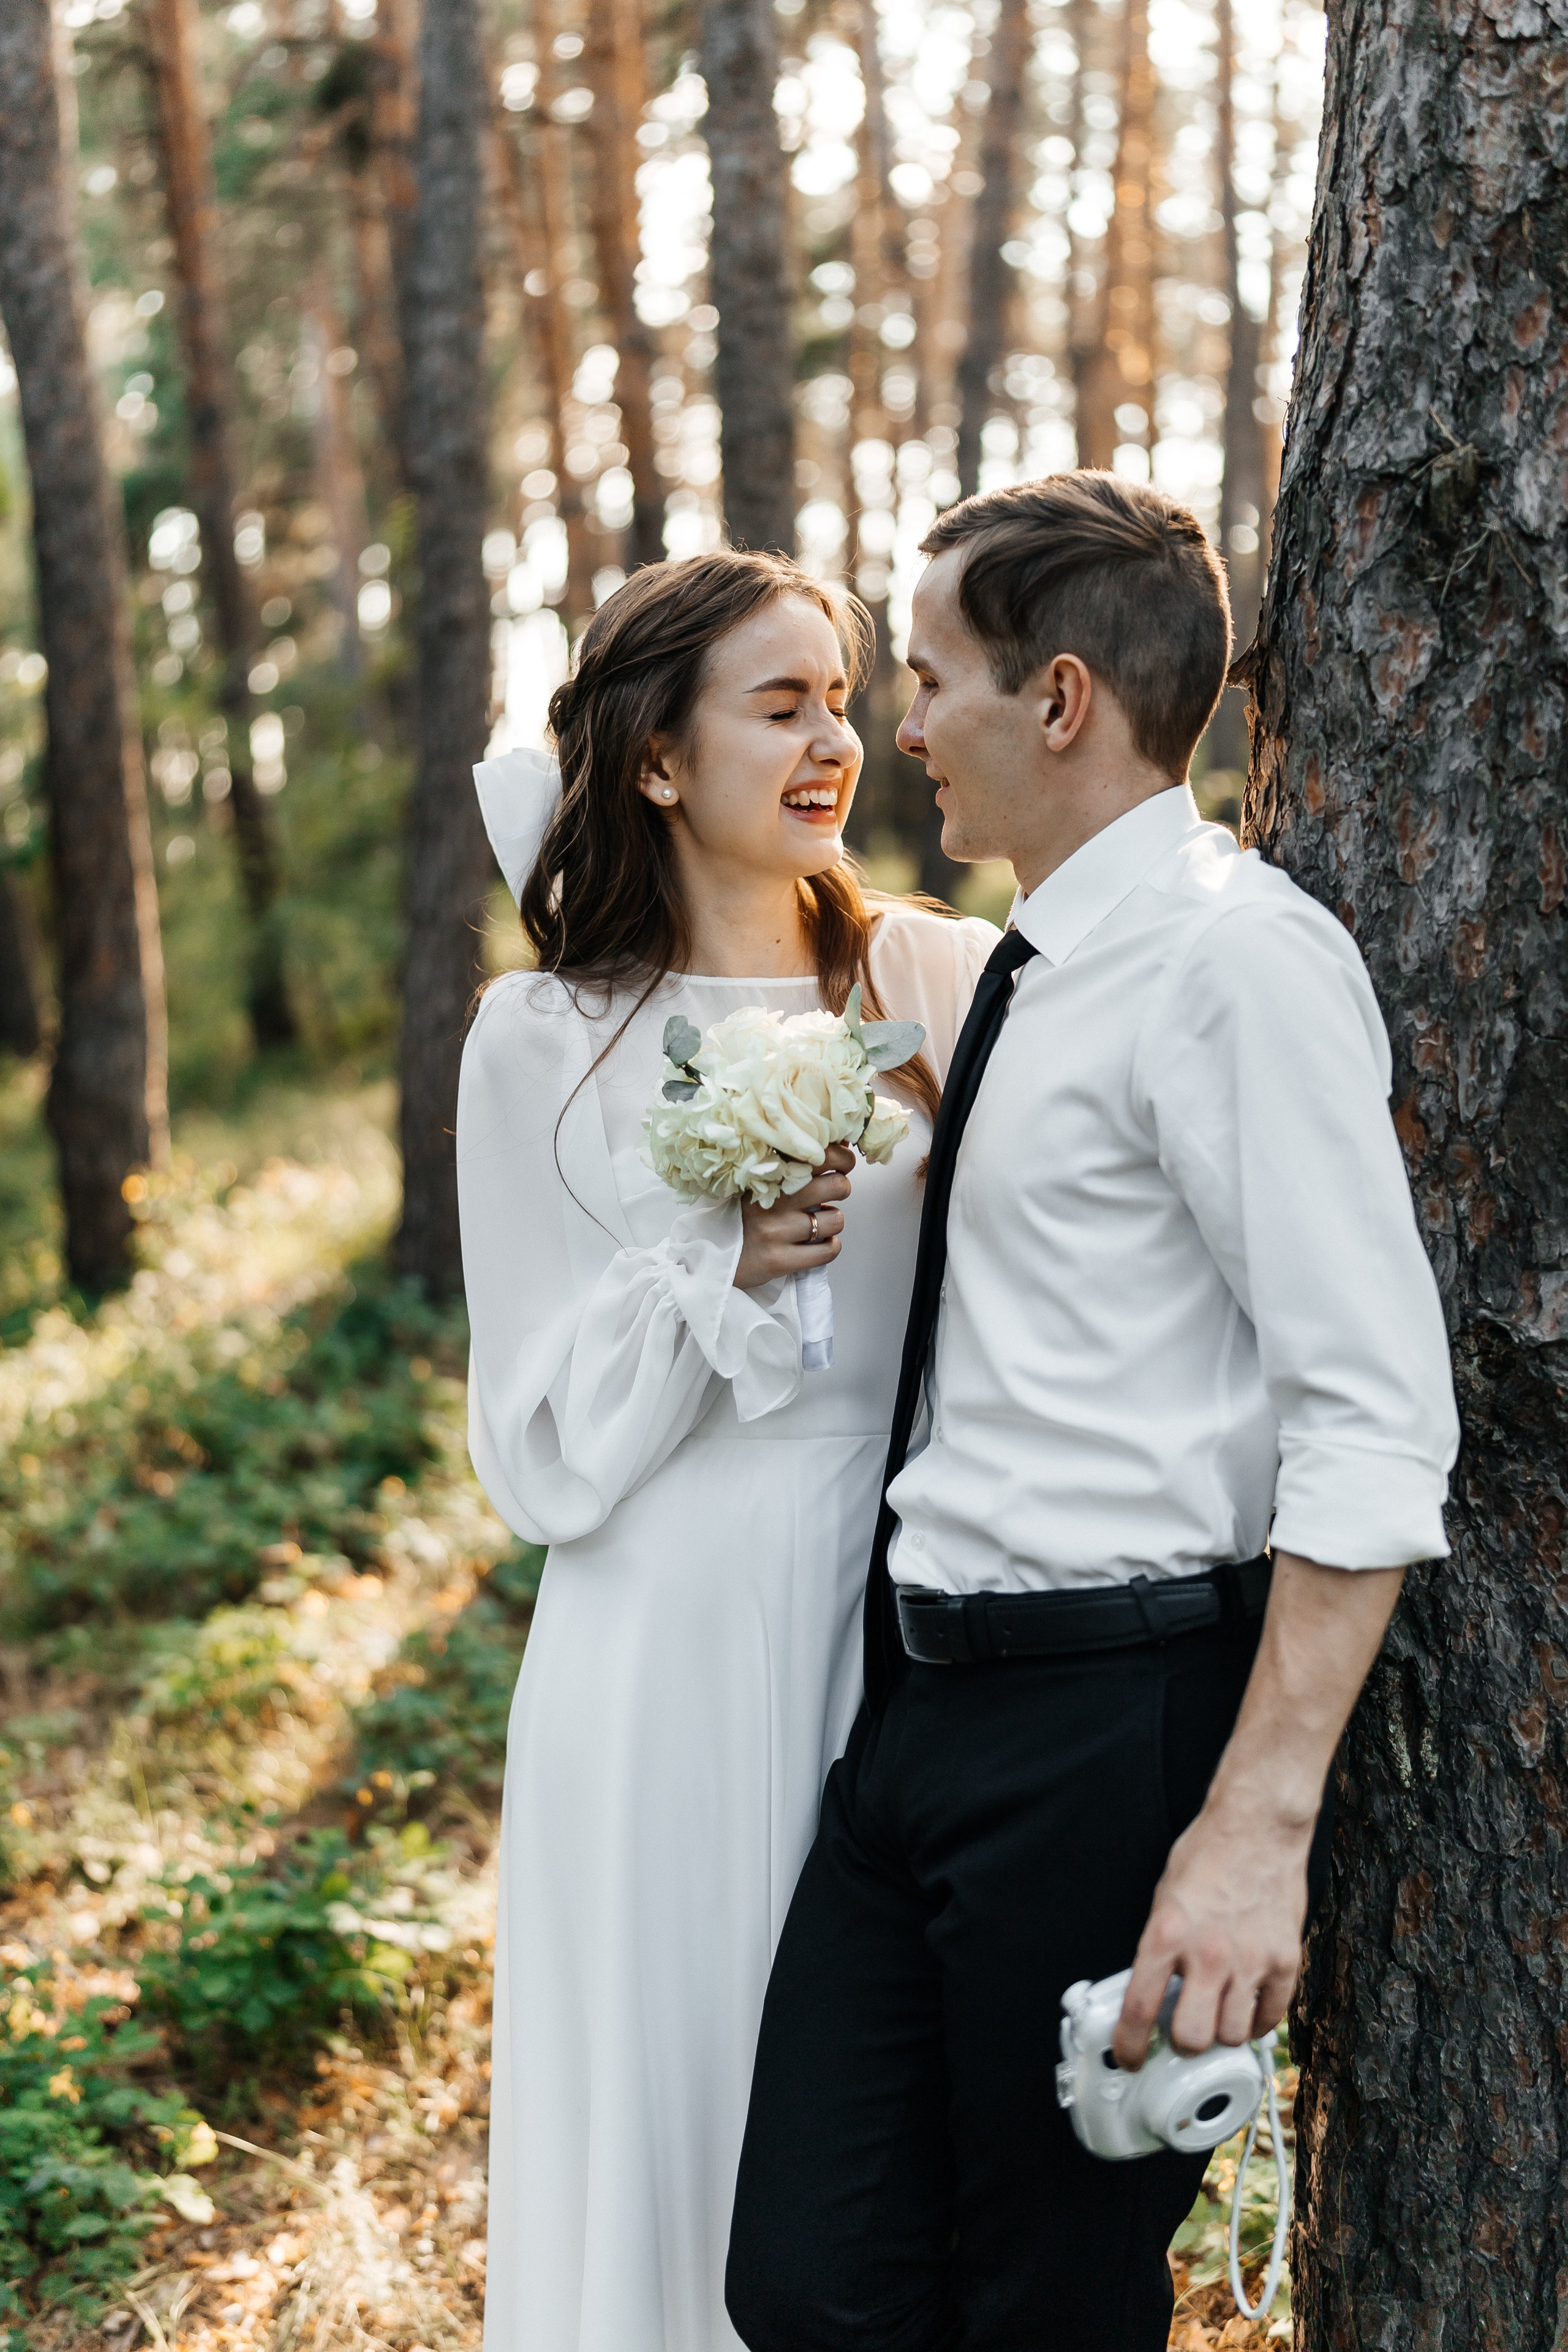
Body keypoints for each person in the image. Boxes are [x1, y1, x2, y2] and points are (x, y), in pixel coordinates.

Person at [725, 472, 1460, 2352]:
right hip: (914, 1729)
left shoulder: (1236, 960)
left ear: (1058, 699)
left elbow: (1373, 1418)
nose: (899, 725)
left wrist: (1251, 1827)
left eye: (928, 676)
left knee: (1035, 2312)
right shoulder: (1032, 967)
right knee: (808, 2284)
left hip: (1107, 1729)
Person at [458, 549, 998, 2352]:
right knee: (683, 2085)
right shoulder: (541, 1040)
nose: (837, 737)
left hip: (893, 1619)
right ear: (660, 759)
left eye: (843, 695)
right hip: (656, 1628)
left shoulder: (933, 972)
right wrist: (716, 1259)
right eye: (782, 704)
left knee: (868, 2141)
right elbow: (529, 1448)